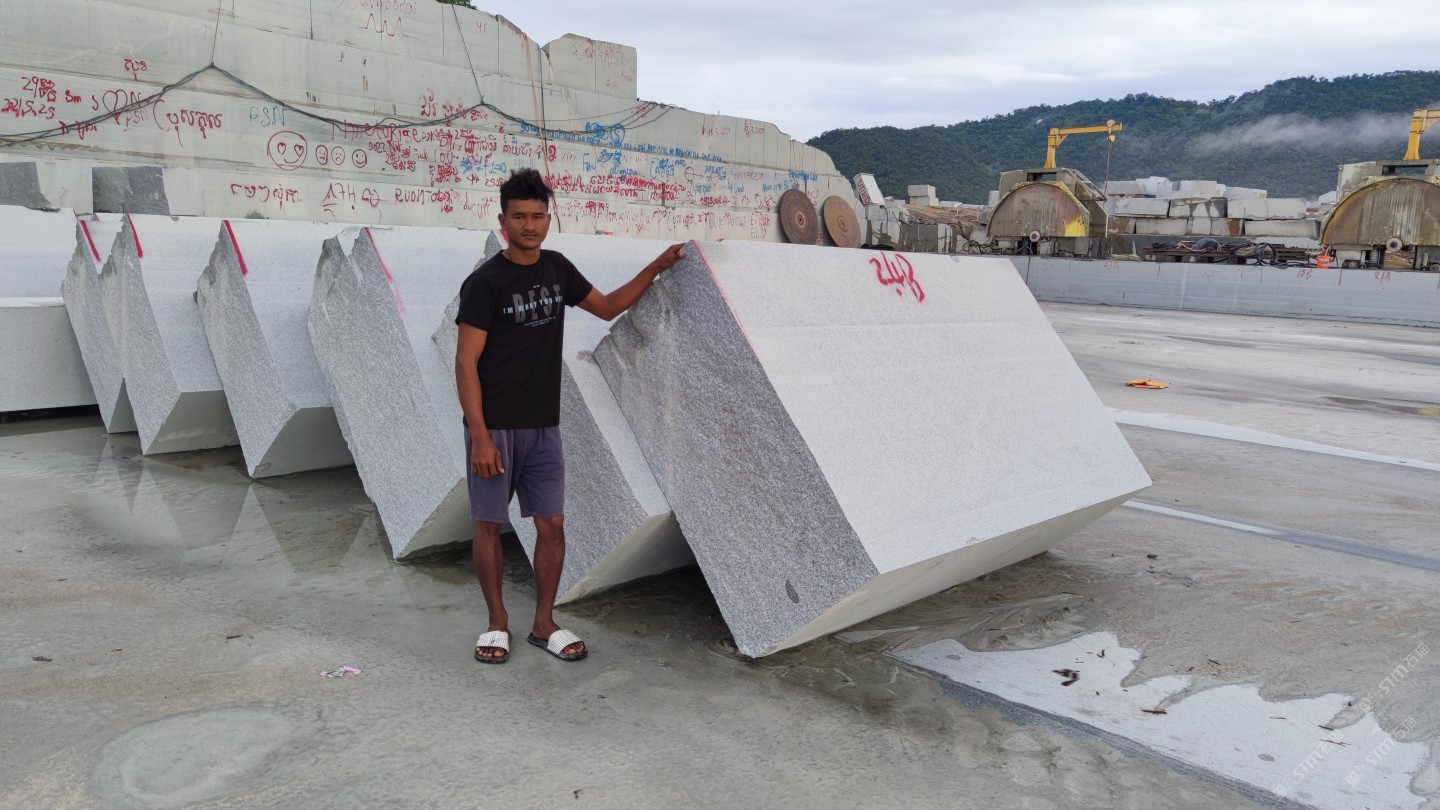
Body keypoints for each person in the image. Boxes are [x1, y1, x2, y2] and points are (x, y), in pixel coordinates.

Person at [454, 168, 684, 664]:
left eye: (538, 216)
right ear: (503, 221)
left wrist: (656, 266)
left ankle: (544, 623)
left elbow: (607, 306)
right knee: (488, 523)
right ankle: (496, 623)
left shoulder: (557, 269)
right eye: (519, 216)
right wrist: (479, 436)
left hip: (543, 426)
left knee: (552, 524)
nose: (529, 225)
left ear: (548, 219)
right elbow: (465, 362)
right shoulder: (485, 283)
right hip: (494, 427)